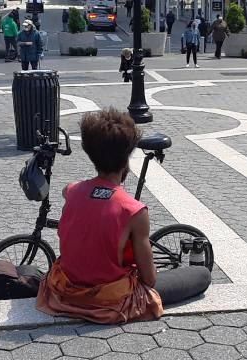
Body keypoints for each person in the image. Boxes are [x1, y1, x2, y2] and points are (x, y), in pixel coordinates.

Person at [36, 108, 211, 324]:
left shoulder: (72, 191)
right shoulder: (134, 211)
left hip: (66, 290)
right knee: (201, 275)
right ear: (127, 155)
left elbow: (70, 190)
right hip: (109, 299)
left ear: (90, 152)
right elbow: (149, 278)